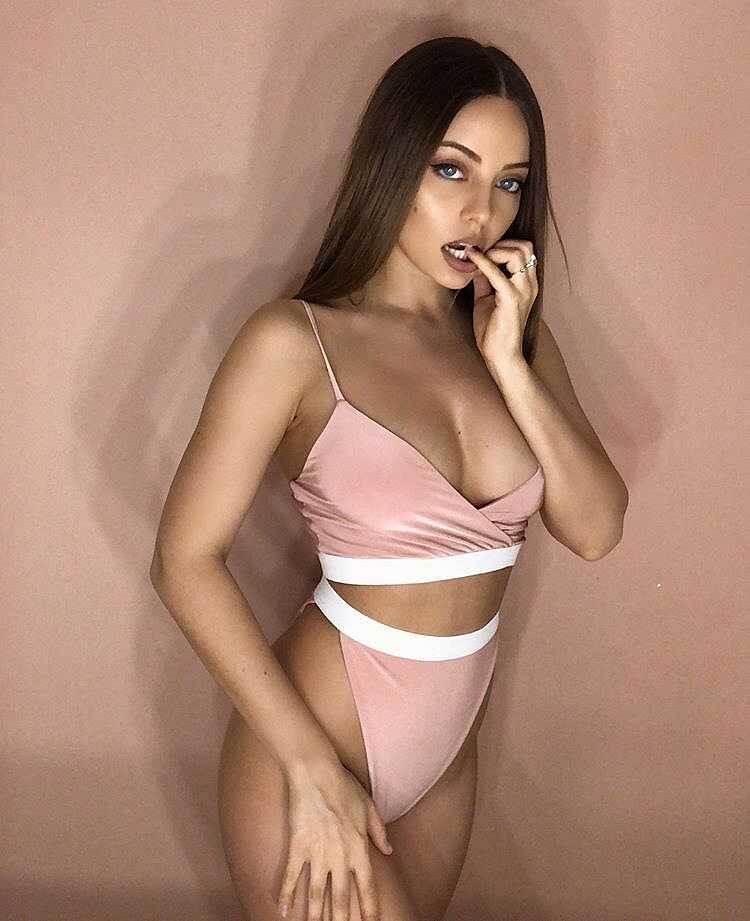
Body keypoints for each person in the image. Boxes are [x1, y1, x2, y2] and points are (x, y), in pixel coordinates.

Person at [149, 35, 628, 921]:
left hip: (447, 754)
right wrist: (308, 768)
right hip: (315, 741)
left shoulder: (515, 335)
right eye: (452, 170)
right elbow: (183, 560)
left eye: (510, 183)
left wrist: (510, 364)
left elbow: (595, 529)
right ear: (392, 163)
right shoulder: (293, 342)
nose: (481, 212)